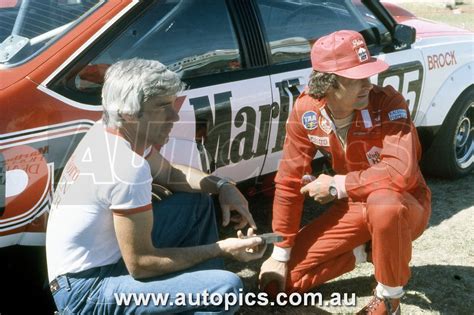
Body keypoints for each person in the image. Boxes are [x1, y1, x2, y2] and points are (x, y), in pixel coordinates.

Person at [46, 58, 266, 314]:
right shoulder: (126, 167)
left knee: (197, 199)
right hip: (86, 292)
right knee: (225, 289)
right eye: (162, 107)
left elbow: (170, 173)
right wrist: (221, 249)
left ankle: (194, 288)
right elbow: (141, 264)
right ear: (129, 112)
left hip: (84, 274)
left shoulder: (109, 130)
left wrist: (222, 185)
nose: (174, 116)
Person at [259, 30, 431, 314]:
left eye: (368, 74)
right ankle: (366, 250)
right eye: (357, 78)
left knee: (384, 203)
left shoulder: (388, 102)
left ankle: (389, 298)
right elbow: (289, 182)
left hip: (404, 204)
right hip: (355, 207)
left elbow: (400, 173)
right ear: (328, 83)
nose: (368, 84)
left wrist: (337, 184)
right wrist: (280, 252)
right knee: (284, 283)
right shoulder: (306, 111)